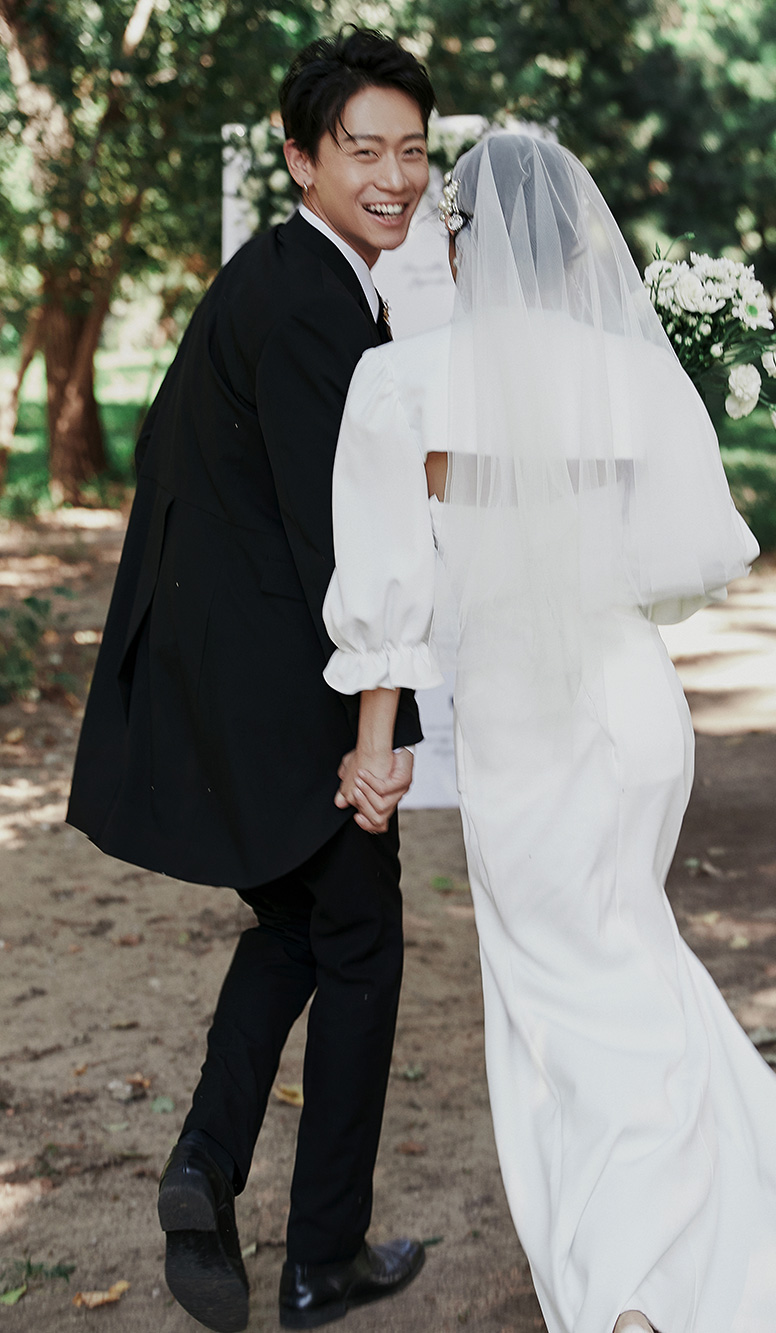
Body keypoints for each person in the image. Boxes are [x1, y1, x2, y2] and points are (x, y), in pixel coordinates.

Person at [322, 133, 776, 1333]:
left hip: (521, 717)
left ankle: (628, 1294)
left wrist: (375, 744)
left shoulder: (399, 383)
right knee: (627, 961)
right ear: (581, 248)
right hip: (634, 698)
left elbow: (386, 590)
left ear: (461, 245)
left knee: (572, 989)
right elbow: (686, 559)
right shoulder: (634, 373)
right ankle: (720, 1240)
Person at [66, 29, 435, 1333]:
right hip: (287, 686)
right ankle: (322, 1257)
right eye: (363, 150)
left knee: (295, 927)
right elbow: (348, 539)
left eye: (412, 151)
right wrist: (379, 732)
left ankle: (202, 1169)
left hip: (227, 664)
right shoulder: (314, 309)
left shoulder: (287, 276)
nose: (393, 177)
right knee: (362, 945)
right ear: (300, 159)